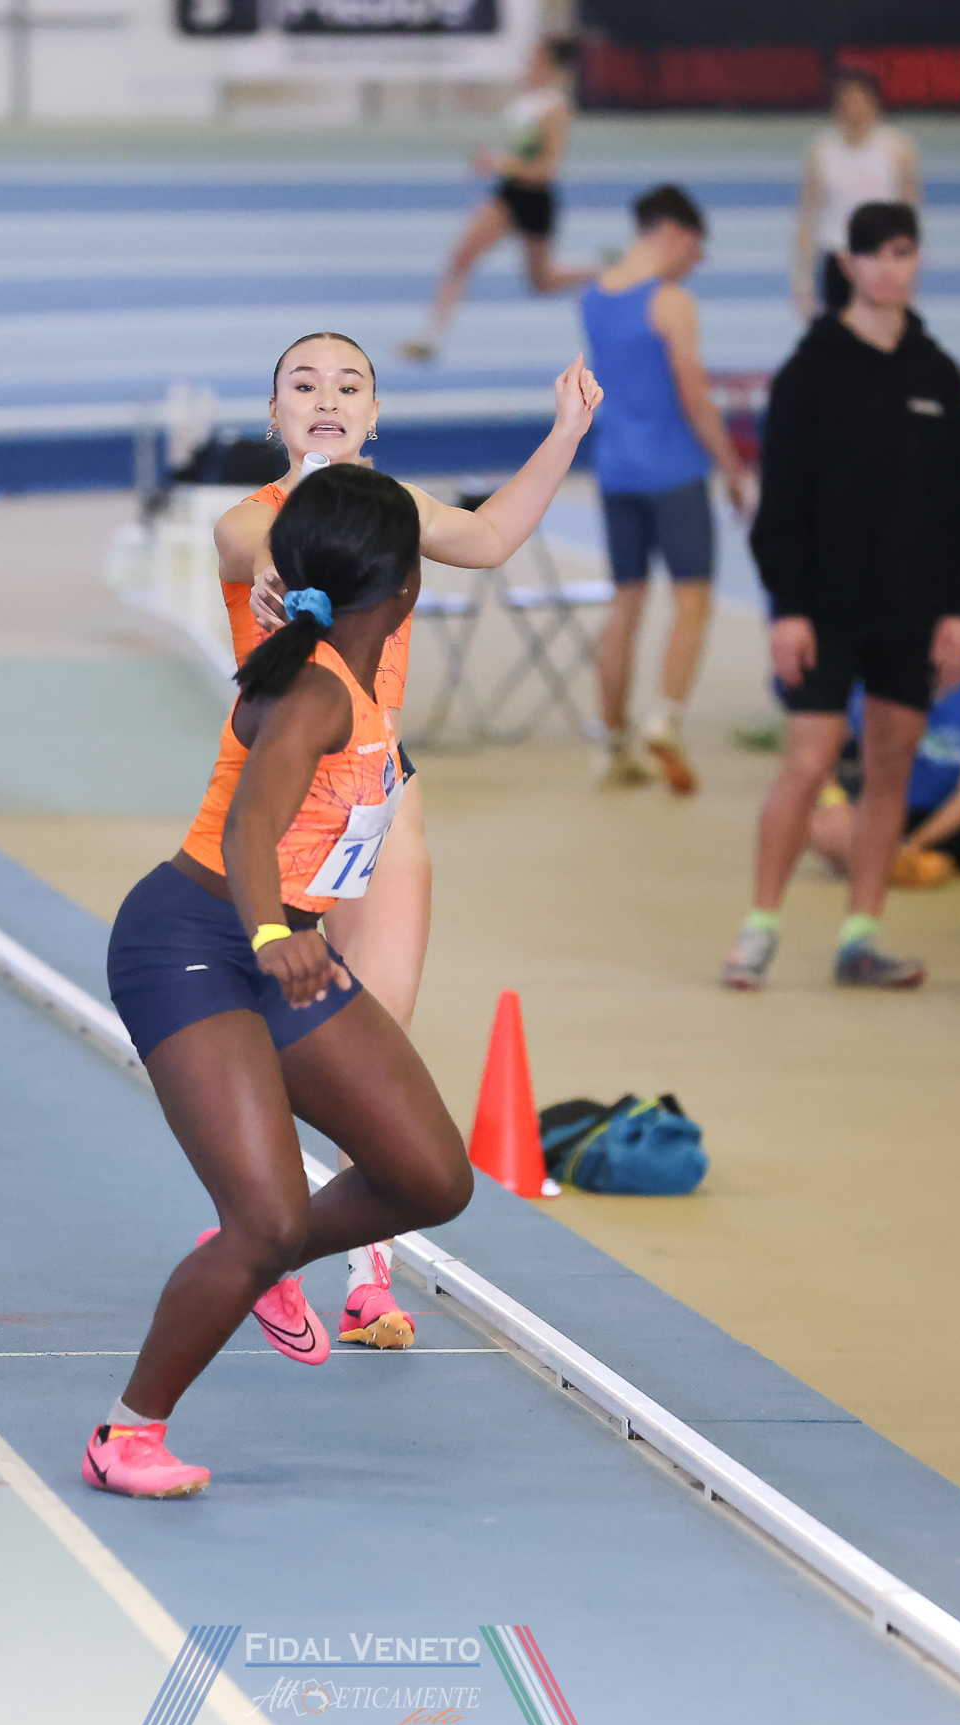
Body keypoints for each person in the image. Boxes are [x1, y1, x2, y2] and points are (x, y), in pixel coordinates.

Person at [89, 467, 476, 1499]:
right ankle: (128, 1433)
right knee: (265, 1216)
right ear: (406, 589)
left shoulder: (352, 681)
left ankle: (265, 1256)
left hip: (282, 948)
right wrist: (268, 930)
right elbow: (250, 825)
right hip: (196, 942)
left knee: (430, 1177)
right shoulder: (313, 689)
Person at [217, 336, 598, 1349]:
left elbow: (492, 536)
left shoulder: (399, 512)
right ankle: (258, 1236)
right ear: (274, 414)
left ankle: (367, 1276)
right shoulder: (249, 517)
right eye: (303, 384)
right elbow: (256, 551)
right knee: (274, 1048)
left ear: (376, 415)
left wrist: (566, 432)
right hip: (283, 808)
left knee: (374, 1044)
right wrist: (275, 568)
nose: (327, 397)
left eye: (350, 385)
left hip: (382, 800)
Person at [722, 202, 960, 994]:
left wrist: (959, 609)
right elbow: (781, 504)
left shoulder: (937, 375)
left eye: (904, 252)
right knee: (808, 763)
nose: (890, 268)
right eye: (876, 254)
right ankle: (758, 928)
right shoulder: (809, 372)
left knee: (890, 765)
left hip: (912, 610)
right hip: (825, 609)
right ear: (850, 265)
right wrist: (788, 608)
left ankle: (861, 934)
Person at [579, 184, 753, 793]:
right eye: (695, 252)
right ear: (674, 233)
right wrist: (732, 468)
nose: (694, 266)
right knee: (692, 601)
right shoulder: (671, 302)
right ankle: (665, 720)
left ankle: (611, 740)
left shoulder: (595, 294)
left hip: (616, 469)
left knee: (624, 604)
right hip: (673, 469)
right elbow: (693, 392)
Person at [400, 39, 592, 365]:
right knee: (461, 257)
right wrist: (500, 164)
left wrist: (498, 164)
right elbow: (521, 155)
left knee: (542, 282)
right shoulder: (527, 103)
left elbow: (547, 168)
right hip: (509, 195)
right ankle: (429, 339)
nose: (528, 66)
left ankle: (601, 271)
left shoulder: (555, 109)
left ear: (551, 67)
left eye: (536, 61)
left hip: (536, 199)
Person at [808, 649, 960, 883]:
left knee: (908, 862)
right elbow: (816, 756)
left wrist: (912, 845)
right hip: (899, 808)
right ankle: (905, 862)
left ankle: (933, 860)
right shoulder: (875, 683)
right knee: (816, 825)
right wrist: (835, 803)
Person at [790, 65, 920, 324]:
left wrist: (911, 276)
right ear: (837, 107)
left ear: (874, 104)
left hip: (882, 261)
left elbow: (910, 216)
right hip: (837, 257)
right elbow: (808, 216)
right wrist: (802, 283)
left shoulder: (898, 149)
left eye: (860, 100)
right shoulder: (822, 151)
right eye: (847, 102)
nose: (854, 108)